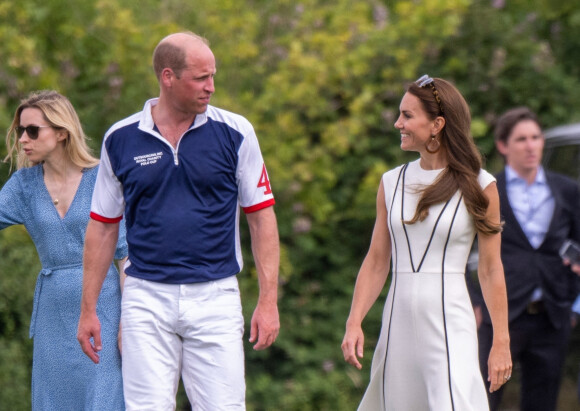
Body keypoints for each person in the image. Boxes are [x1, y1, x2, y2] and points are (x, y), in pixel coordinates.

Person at [77, 31, 280, 410]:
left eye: (213, 76)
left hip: (216, 295)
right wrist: (88, 309)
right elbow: (103, 226)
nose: (211, 87)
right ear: (167, 77)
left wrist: (268, 301)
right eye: (201, 78)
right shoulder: (119, 139)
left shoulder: (236, 133)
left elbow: (261, 218)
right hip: (146, 297)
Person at [341, 75, 512, 410]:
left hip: (450, 320)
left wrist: (501, 341)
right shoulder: (391, 182)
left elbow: (491, 269)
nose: (397, 123)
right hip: (397, 322)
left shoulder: (481, 185)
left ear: (437, 124)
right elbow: (377, 261)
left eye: (407, 116)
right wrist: (354, 321)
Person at [0, 90, 127, 410]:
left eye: (32, 130)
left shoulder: (103, 178)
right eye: (20, 131)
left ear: (61, 131)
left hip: (104, 307)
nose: (23, 139)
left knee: (104, 395)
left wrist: (130, 321)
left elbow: (125, 255)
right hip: (53, 314)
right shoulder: (23, 186)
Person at [471, 107, 580, 411]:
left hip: (552, 315)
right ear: (504, 146)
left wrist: (571, 301)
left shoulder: (568, 191)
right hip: (500, 314)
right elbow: (463, 249)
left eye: (535, 137)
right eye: (521, 139)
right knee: (483, 398)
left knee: (543, 402)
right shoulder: (489, 191)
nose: (531, 145)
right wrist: (474, 300)